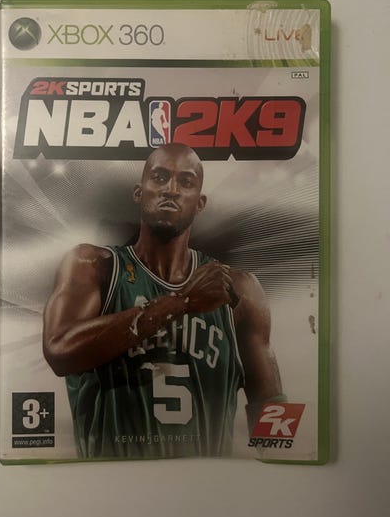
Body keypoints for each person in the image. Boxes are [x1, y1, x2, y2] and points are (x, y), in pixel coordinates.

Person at [43, 143, 285, 459]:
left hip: (206, 480)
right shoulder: (94, 266)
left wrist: (279, 469)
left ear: (199, 203)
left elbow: (271, 404)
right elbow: (59, 352)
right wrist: (181, 302)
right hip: (110, 478)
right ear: (138, 192)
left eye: (185, 181)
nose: (171, 189)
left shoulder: (241, 289)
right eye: (159, 177)